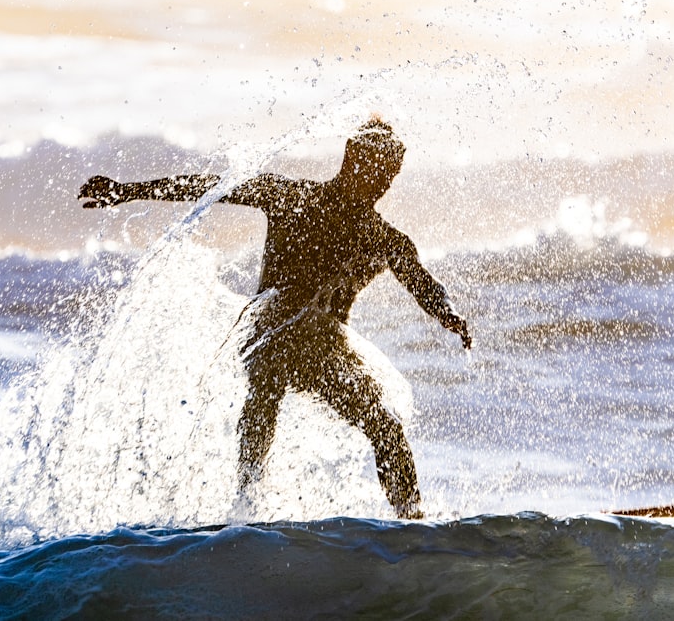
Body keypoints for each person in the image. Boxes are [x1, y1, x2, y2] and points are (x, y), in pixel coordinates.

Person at [78, 116, 471, 519]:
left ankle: (411, 524)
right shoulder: (288, 196)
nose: (380, 182)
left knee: (386, 426)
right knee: (267, 382)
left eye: (389, 174)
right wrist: (126, 191)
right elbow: (209, 186)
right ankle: (246, 506)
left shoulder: (383, 237)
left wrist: (448, 313)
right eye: (375, 168)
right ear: (351, 157)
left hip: (327, 351)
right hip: (271, 335)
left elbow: (423, 281)